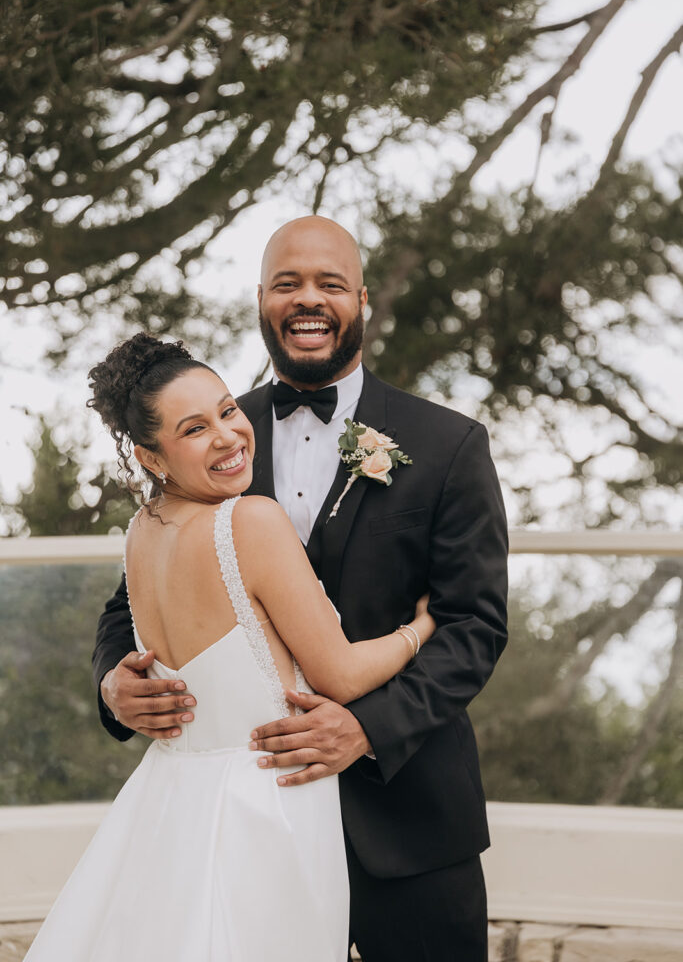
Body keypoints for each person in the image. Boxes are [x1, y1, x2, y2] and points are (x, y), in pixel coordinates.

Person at [94, 216, 509, 961]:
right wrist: (112, 687)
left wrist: (367, 728)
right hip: (250, 829)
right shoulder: (208, 434)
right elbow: (128, 602)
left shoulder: (450, 446)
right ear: (262, 299)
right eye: (287, 283)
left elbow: (473, 625)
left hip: (410, 825)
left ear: (361, 299)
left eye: (328, 283)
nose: (306, 299)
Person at [25, 333, 435, 962]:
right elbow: (343, 676)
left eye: (226, 410)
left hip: (169, 798)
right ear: (151, 457)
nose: (227, 435)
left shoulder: (142, 530)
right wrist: (420, 629)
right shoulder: (251, 521)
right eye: (194, 429)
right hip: (266, 800)